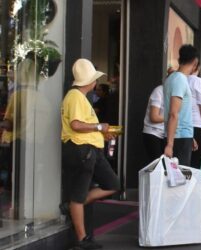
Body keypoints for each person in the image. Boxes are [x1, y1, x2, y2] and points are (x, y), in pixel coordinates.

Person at [61, 58, 120, 249]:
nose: (96, 82)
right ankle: (82, 238)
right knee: (79, 195)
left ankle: (73, 208)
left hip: (89, 149)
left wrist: (100, 132)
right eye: (94, 78)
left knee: (112, 184)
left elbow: (79, 125)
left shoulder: (79, 97)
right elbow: (76, 125)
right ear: (90, 81)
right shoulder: (76, 96)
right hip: (82, 149)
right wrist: (99, 126)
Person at [163, 45, 198, 166]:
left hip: (181, 136)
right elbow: (173, 113)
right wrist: (170, 144)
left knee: (178, 179)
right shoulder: (180, 80)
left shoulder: (172, 78)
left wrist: (190, 136)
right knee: (180, 180)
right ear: (195, 62)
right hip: (179, 138)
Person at [142, 84, 164, 161]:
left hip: (165, 134)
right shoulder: (159, 90)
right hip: (153, 132)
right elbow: (154, 117)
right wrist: (171, 117)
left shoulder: (176, 92)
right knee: (158, 164)